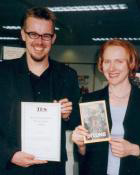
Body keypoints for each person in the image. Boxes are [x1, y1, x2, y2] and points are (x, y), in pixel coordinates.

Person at [0, 6, 80, 175]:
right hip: (11, 168)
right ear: (23, 34)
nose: (39, 42)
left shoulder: (68, 76)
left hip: (52, 169)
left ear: (54, 38)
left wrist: (67, 115)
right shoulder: (3, 73)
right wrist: (9, 154)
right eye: (33, 34)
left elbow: (76, 122)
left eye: (46, 36)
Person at [72, 39, 140, 175]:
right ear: (101, 64)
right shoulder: (90, 101)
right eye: (107, 61)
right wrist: (80, 144)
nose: (112, 68)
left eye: (119, 61)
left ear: (131, 63)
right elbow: (84, 155)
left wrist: (135, 149)